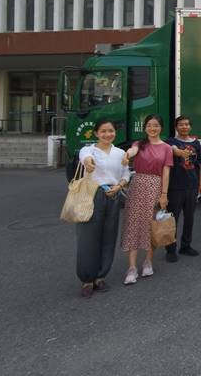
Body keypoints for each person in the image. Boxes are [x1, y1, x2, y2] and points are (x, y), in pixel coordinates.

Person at [76, 118, 130, 298]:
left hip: (113, 195)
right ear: (96, 133)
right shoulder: (89, 150)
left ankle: (100, 276)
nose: (108, 134)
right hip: (93, 195)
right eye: (103, 131)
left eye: (111, 131)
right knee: (88, 238)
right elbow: (85, 156)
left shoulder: (120, 152)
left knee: (109, 237)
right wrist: (88, 162)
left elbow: (126, 173)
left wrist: (119, 186)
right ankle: (87, 279)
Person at [121, 114, 173, 285]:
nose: (152, 128)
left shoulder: (166, 148)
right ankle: (131, 268)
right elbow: (132, 151)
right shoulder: (139, 144)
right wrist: (127, 154)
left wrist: (164, 194)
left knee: (152, 225)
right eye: (149, 125)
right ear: (145, 128)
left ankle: (148, 261)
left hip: (156, 187)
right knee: (133, 224)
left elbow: (166, 173)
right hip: (137, 186)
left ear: (161, 128)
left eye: (156, 125)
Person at [165, 116, 201, 262]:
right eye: (181, 124)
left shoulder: (196, 143)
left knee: (189, 218)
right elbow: (174, 150)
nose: (184, 127)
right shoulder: (171, 142)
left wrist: (200, 184)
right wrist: (180, 152)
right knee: (173, 219)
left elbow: (200, 165)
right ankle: (170, 249)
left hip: (192, 186)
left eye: (187, 124)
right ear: (176, 127)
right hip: (175, 186)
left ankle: (186, 246)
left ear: (190, 126)